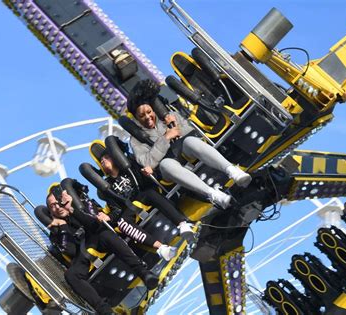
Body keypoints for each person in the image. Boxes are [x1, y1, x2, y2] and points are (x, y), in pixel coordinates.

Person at [126, 79, 252, 209]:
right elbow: (148, 162)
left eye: (149, 112)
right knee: (166, 164)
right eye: (142, 116)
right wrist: (166, 138)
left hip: (185, 149)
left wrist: (175, 125)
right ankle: (213, 194)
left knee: (190, 141)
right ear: (136, 118)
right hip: (168, 166)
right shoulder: (135, 140)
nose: (147, 117)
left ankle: (232, 171)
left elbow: (191, 132)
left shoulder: (170, 116)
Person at [45, 183, 158, 315]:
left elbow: (94, 225)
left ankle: (144, 273)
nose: (57, 207)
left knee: (103, 233)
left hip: (103, 238)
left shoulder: (82, 206)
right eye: (52, 206)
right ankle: (105, 311)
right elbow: (70, 250)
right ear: (50, 211)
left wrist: (71, 210)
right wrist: (63, 228)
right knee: (71, 275)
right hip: (86, 253)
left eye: (58, 202)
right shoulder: (56, 230)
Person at [98, 137, 195, 243]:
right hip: (130, 207)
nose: (103, 160)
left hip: (143, 195)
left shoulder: (130, 165)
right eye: (101, 160)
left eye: (106, 157)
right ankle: (160, 248)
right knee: (123, 222)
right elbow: (115, 208)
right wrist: (109, 217)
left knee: (150, 193)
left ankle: (183, 224)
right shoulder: (107, 186)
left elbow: (146, 179)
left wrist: (150, 172)